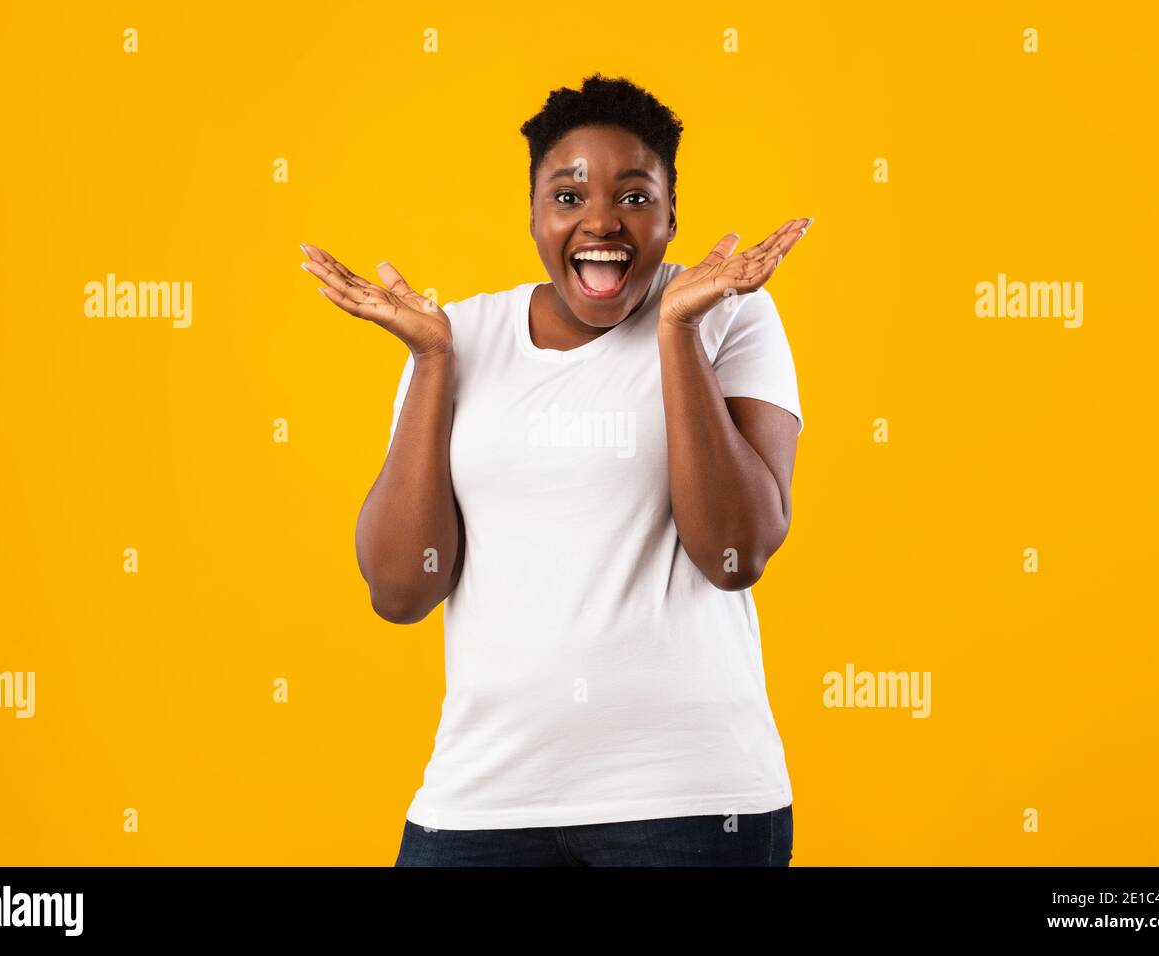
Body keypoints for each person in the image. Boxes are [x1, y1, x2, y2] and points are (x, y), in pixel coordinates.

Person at [299, 73, 812, 866]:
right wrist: (433, 361)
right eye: (568, 197)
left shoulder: (730, 313)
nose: (601, 220)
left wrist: (677, 334)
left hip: (694, 806)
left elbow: (735, 553)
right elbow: (401, 592)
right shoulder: (454, 336)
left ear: (673, 213)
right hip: (483, 803)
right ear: (534, 214)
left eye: (635, 197)